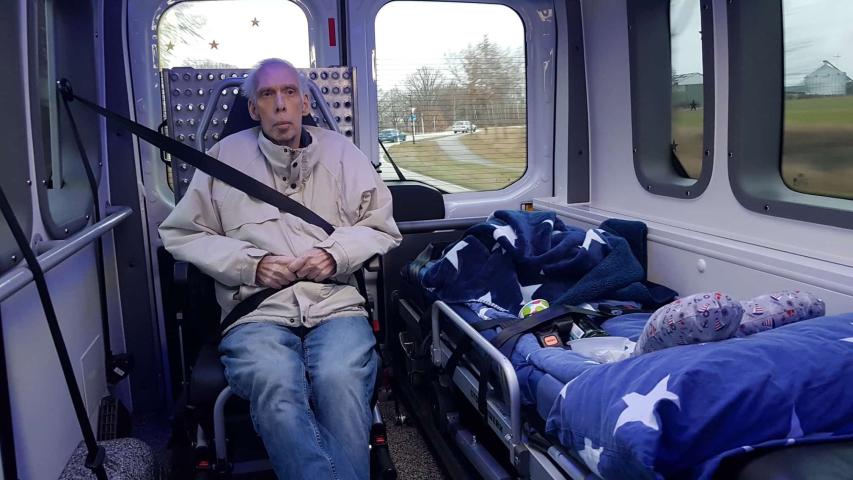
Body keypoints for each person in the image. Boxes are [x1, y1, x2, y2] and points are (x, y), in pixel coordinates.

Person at [159, 58, 401, 480]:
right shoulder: (223, 158)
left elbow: (380, 226)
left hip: (334, 304)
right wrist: (251, 265)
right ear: (253, 110)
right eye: (267, 95)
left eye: (289, 92)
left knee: (340, 379)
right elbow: (181, 233)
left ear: (305, 102)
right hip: (256, 312)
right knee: (276, 382)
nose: (280, 104)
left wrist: (335, 254)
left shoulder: (344, 154)